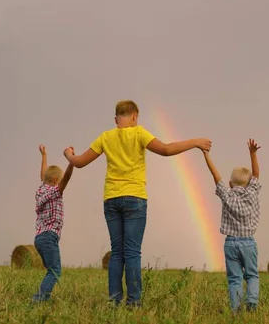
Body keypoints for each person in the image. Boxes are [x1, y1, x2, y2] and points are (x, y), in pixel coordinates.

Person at [63, 100, 212, 307]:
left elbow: (78, 163)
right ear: (135, 116)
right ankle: (133, 302)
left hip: (111, 199)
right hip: (135, 198)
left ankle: (114, 301)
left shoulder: (105, 137)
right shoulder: (140, 133)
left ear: (116, 119)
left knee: (117, 252)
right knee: (132, 252)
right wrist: (195, 141)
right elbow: (166, 150)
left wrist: (68, 154)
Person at [201, 139, 262, 312]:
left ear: (230, 184)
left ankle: (235, 311)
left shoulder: (226, 194)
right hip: (248, 242)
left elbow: (216, 176)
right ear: (249, 183)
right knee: (251, 275)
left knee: (235, 278)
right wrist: (253, 153)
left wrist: (207, 156)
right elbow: (256, 174)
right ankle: (251, 302)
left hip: (230, 243)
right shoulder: (252, 192)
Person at [32, 144, 74, 302]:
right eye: (59, 180)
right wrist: (73, 161)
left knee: (51, 270)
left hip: (39, 239)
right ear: (56, 180)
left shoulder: (41, 189)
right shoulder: (55, 191)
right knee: (55, 271)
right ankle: (38, 300)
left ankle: (42, 297)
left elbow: (43, 174)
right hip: (49, 237)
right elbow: (67, 179)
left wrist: (44, 156)